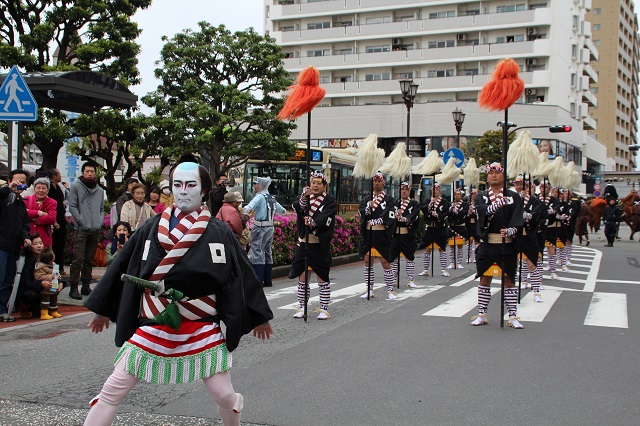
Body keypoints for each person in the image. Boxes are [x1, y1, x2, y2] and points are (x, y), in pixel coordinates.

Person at [83, 160, 273, 426]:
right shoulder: (151, 227)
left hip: (201, 325)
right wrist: (102, 309)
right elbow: (122, 264)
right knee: (114, 387)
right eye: (178, 185)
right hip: (155, 322)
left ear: (204, 190)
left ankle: (233, 410)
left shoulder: (219, 232)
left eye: (191, 185)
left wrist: (259, 316)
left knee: (223, 394)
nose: (183, 191)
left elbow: (240, 275)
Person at [470, 163, 524, 329]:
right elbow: (483, 212)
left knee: (509, 279)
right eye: (491, 173)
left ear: (503, 176)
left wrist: (512, 230)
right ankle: (482, 313)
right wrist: (498, 204)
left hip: (506, 244)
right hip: (487, 243)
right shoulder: (481, 196)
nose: (494, 176)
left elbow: (518, 217)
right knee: (485, 278)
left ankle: (513, 315)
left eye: (497, 173)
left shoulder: (514, 197)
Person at [289, 172, 337, 319]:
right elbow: (298, 207)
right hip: (304, 242)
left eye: (318, 183)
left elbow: (327, 215)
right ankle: (302, 306)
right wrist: (304, 197)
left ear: (324, 185)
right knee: (302, 276)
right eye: (313, 182)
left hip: (318, 243)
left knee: (322, 277)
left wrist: (313, 221)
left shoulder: (330, 200)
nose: (315, 185)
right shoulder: (305, 197)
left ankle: (324, 308)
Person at [68, 163, 104, 300]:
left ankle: (86, 285)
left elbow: (101, 209)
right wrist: (81, 220)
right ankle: (73, 287)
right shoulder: (76, 186)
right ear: (83, 172)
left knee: (89, 259)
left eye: (92, 171)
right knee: (78, 259)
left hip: (95, 229)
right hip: (80, 229)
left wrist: (99, 222)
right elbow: (72, 206)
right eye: (87, 171)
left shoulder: (100, 190)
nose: (90, 173)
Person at [358, 172, 397, 299]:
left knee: (385, 261)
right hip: (369, 232)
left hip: (381, 233)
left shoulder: (389, 199)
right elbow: (361, 212)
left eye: (379, 181)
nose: (376, 183)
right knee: (367, 261)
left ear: (383, 182)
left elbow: (390, 215)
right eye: (374, 181)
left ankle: (390, 290)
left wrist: (378, 220)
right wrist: (368, 207)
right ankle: (369, 289)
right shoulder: (366, 199)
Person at [0, 169, 31, 322]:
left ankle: (2, 310)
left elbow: (25, 223)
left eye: (23, 182)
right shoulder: (4, 197)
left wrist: (25, 237)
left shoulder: (20, 202)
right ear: (9, 181)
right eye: (17, 181)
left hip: (14, 247)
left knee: (7, 280)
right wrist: (7, 189)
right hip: (1, 245)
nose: (20, 185)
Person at [243, 176, 285, 287]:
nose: (254, 186)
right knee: (267, 252)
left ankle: (258, 280)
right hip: (270, 227)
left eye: (255, 184)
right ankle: (268, 280)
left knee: (257, 251)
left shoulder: (259, 196)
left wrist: (244, 211)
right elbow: (282, 211)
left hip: (259, 227)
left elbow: (249, 207)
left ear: (260, 185)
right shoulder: (272, 198)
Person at [16, 233, 66, 319]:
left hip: (44, 290)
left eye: (40, 243)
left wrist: (61, 283)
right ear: (29, 246)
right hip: (30, 290)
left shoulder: (46, 258)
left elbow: (56, 273)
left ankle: (45, 309)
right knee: (30, 295)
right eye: (35, 244)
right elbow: (25, 283)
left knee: (55, 288)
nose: (39, 246)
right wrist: (41, 283)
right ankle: (23, 308)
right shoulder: (26, 261)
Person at [515, 178, 546, 303]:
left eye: (521, 185)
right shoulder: (513, 199)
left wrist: (525, 214)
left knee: (532, 263)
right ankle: (519, 283)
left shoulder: (536, 202)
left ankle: (536, 290)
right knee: (514, 263)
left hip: (529, 235)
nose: (518, 187)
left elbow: (536, 215)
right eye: (516, 185)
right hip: (515, 234)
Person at [390, 182, 420, 288]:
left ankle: (411, 279)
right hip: (396, 234)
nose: (404, 191)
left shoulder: (414, 204)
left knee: (409, 257)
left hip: (407, 234)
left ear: (409, 191)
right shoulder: (395, 203)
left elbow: (415, 215)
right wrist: (394, 217)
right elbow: (389, 215)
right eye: (402, 189)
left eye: (406, 189)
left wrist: (405, 218)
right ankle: (393, 279)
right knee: (394, 258)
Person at [418, 183, 451, 278]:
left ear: (439, 191)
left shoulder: (444, 202)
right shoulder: (427, 201)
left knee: (442, 248)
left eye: (437, 189)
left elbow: (446, 212)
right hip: (430, 227)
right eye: (433, 189)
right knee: (427, 249)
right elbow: (423, 209)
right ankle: (425, 270)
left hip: (440, 227)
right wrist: (429, 206)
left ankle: (444, 269)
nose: (435, 191)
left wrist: (438, 215)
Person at [24, 177, 58, 248]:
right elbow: (24, 214)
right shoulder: (26, 199)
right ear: (34, 189)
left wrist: (34, 219)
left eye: (43, 188)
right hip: (28, 234)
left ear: (48, 190)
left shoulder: (52, 202)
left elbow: (52, 218)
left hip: (44, 235)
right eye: (38, 188)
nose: (41, 190)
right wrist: (40, 213)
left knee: (44, 256)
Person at [47, 169, 68, 274]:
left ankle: (60, 266)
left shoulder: (59, 187)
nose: (60, 176)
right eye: (59, 174)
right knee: (54, 244)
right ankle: (53, 267)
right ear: (54, 176)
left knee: (60, 244)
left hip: (61, 217)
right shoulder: (49, 188)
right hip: (53, 218)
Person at [33, 246, 62, 320]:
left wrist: (59, 279)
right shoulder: (41, 267)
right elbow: (39, 277)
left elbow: (57, 274)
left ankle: (53, 311)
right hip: (46, 289)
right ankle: (44, 313)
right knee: (45, 301)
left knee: (54, 300)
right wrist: (50, 277)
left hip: (53, 287)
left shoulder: (53, 266)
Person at [447, 189, 468, 270]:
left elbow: (464, 213)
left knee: (460, 245)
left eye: (458, 194)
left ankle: (459, 263)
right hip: (452, 226)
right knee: (451, 246)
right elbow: (446, 214)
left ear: (461, 196)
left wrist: (457, 212)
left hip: (460, 226)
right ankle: (452, 262)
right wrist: (450, 210)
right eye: (455, 194)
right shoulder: (450, 204)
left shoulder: (465, 204)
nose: (457, 196)